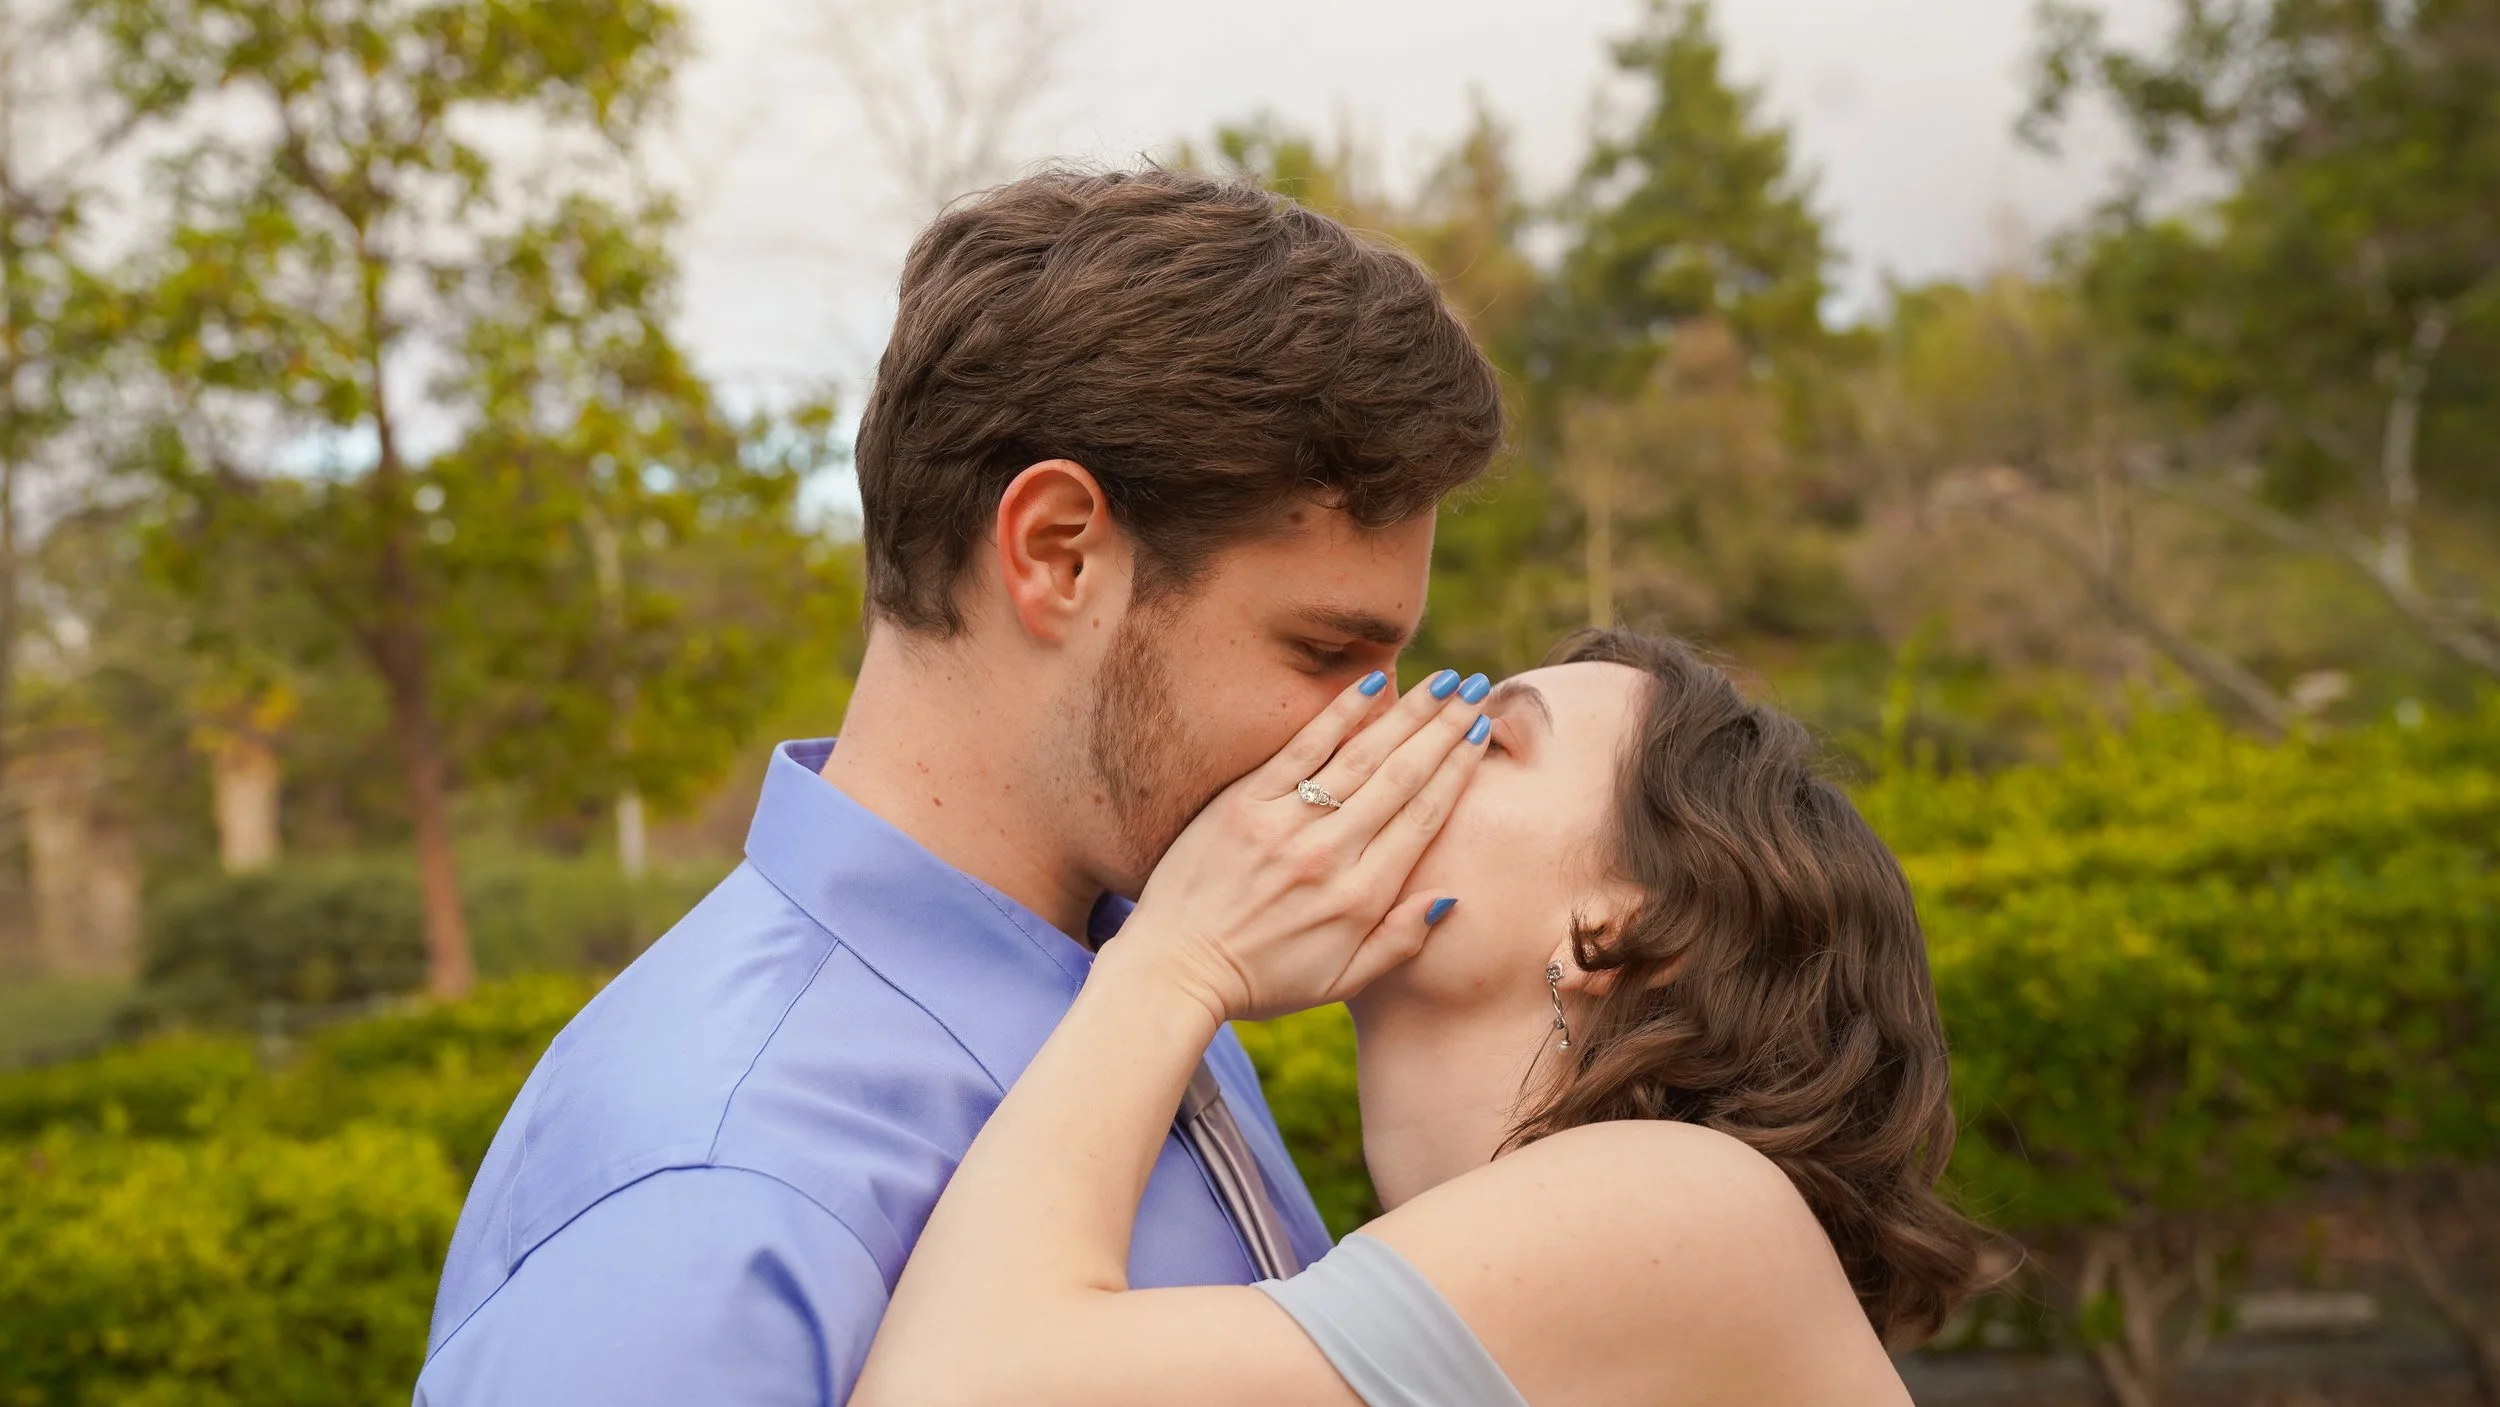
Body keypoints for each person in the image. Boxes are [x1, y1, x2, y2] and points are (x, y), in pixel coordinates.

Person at [414, 167, 1504, 1405]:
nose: (1382, 731)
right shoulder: (712, 1184)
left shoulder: (1145, 960)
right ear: (1058, 553)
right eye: (1326, 654)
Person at [852, 628, 1982, 1407]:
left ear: (1632, 929)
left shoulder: (1696, 1199)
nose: (1394, 736)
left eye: (1485, 735)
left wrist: (1173, 962)